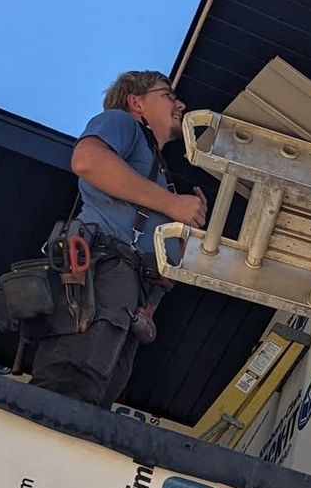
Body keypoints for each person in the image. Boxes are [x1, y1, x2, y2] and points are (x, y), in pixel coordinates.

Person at [26, 70, 206, 406]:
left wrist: (152, 303)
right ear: (136, 102)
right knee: (71, 384)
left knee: (96, 398)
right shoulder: (120, 123)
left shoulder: (157, 168)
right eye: (168, 94)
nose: (180, 104)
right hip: (106, 272)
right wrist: (173, 204)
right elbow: (88, 160)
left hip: (129, 297)